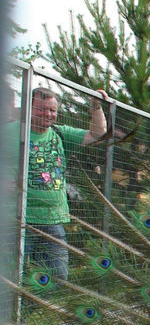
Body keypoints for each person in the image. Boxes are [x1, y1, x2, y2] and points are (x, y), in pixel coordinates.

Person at [25, 87, 108, 281]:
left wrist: (95, 106)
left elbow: (98, 134)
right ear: (28, 108)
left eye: (52, 110)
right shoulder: (11, 131)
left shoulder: (60, 134)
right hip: (18, 219)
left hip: (52, 220)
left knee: (58, 277)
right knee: (11, 278)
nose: (48, 114)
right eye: (41, 109)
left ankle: (27, 312)